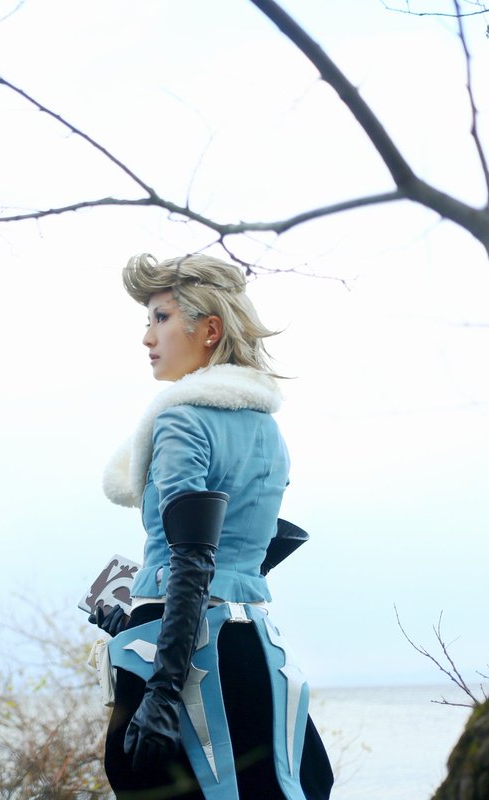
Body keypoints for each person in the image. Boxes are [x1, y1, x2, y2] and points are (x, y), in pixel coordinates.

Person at [94, 253, 334, 799]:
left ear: (210, 330)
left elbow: (193, 558)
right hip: (254, 644)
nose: (147, 337)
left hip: (178, 655)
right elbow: (239, 552)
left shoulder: (180, 419)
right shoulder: (268, 430)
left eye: (160, 318)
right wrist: (131, 613)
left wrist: (161, 687)